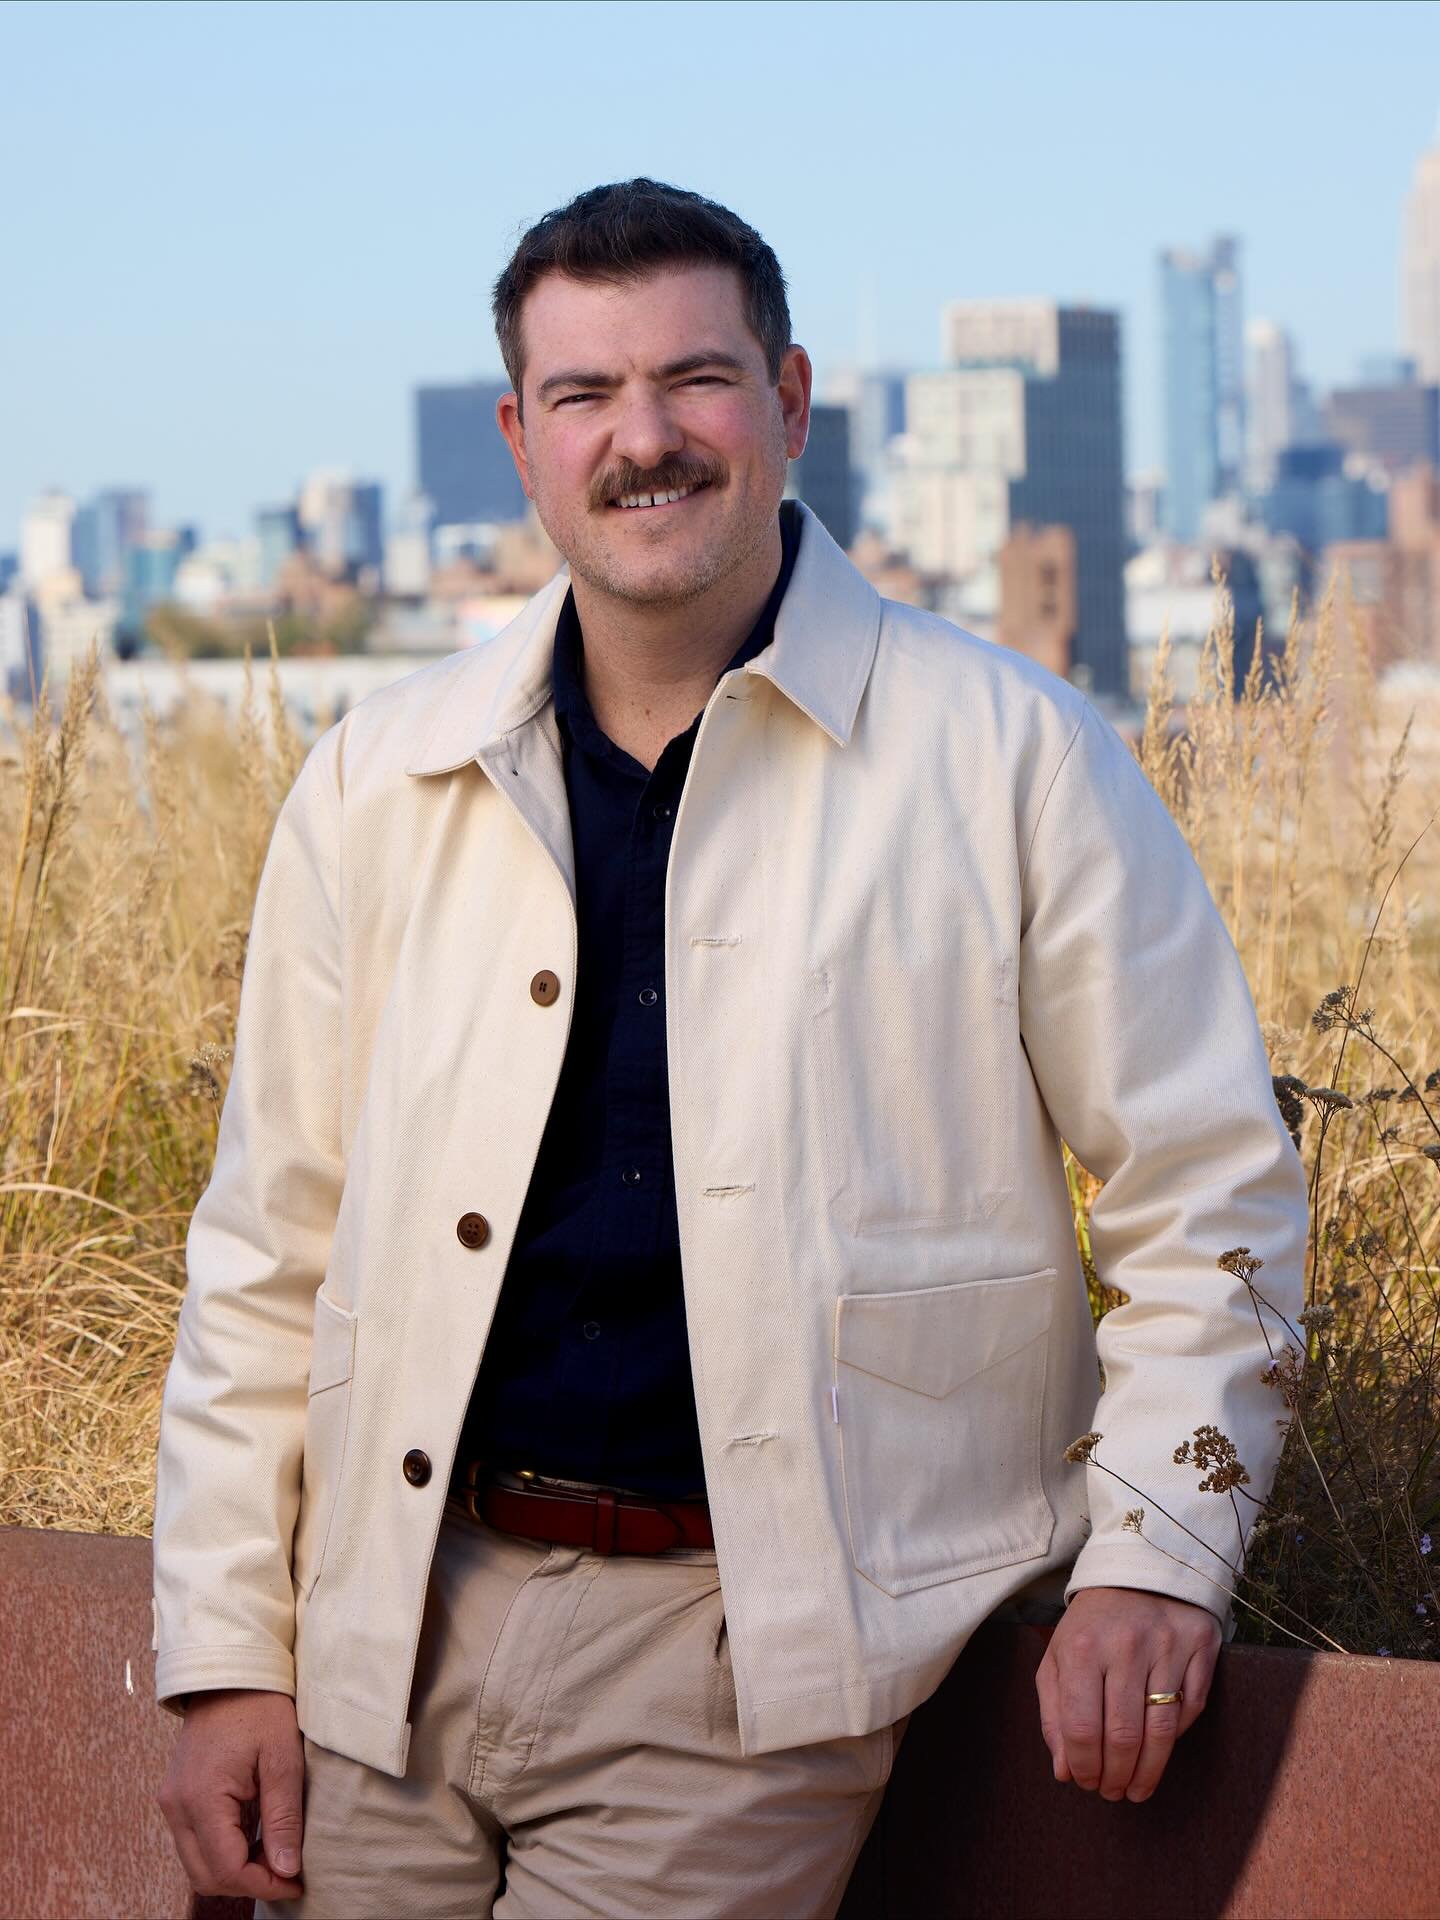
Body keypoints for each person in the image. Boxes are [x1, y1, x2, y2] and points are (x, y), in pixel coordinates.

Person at [153, 178, 1309, 1919]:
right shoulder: (376, 780)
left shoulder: (1013, 759)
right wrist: (226, 1652)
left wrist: (1158, 1557)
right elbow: (266, 1248)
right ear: (519, 441)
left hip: (751, 1654)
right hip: (377, 1630)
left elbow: (1210, 1191)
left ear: (789, 401)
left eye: (694, 379)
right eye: (583, 395)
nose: (643, 440)